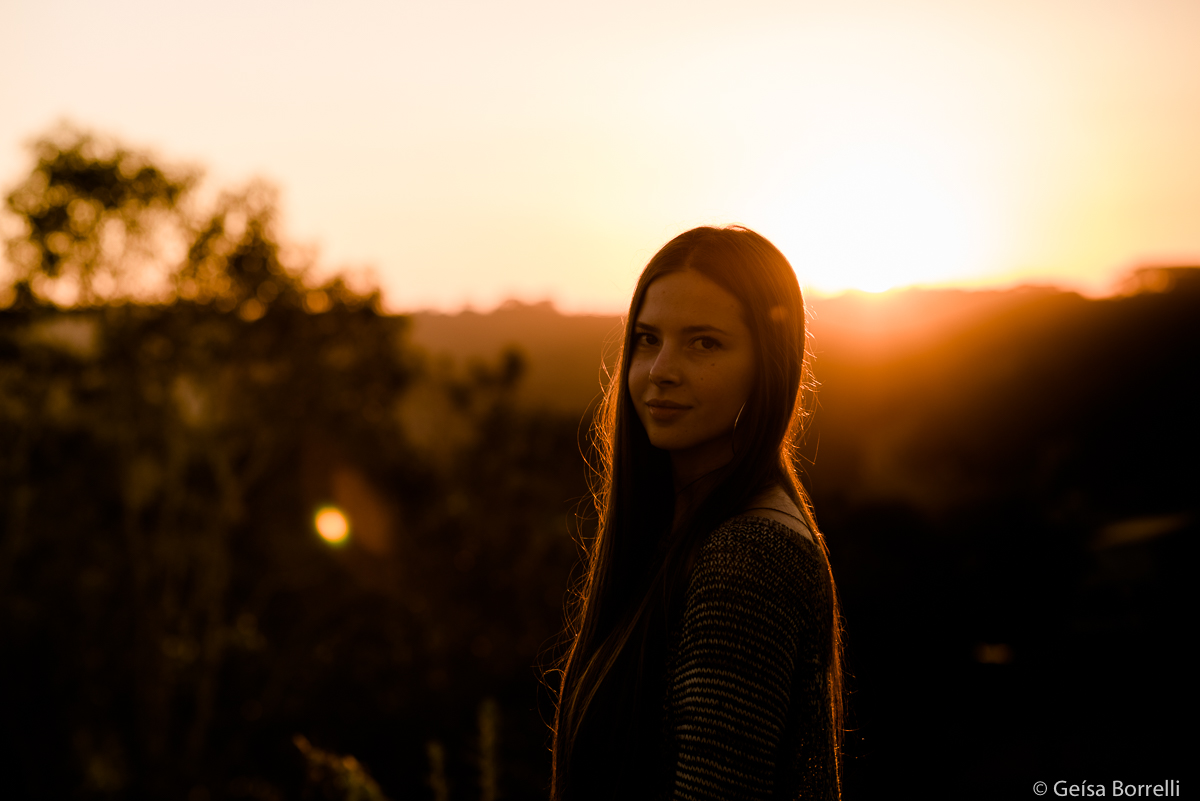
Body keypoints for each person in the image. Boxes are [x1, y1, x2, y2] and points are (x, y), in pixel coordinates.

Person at [550, 226, 843, 800]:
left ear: (769, 365)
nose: (661, 368)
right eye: (647, 338)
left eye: (703, 342)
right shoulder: (684, 533)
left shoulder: (748, 557)